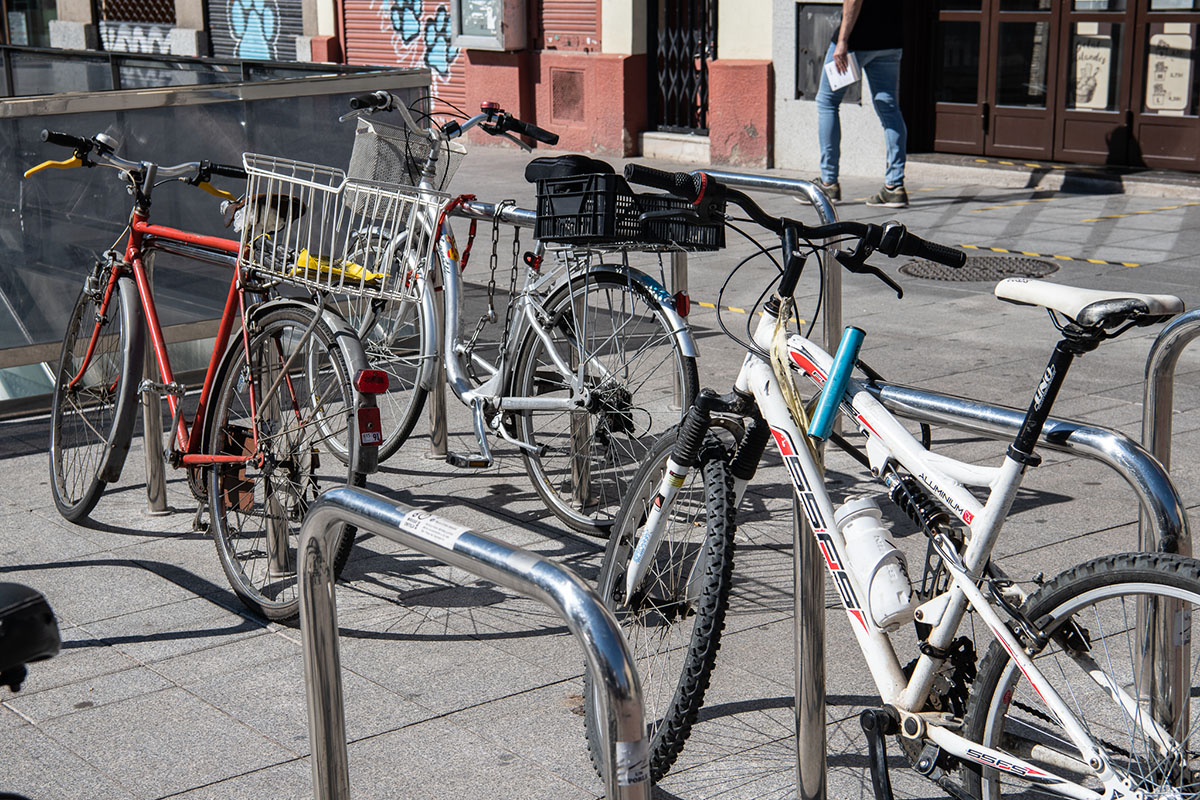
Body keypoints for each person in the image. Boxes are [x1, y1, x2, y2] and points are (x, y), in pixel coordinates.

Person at [814, 0, 908, 208]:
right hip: (891, 39)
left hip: (856, 41)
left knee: (827, 103)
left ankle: (828, 182)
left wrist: (842, 40)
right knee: (889, 108)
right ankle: (894, 187)